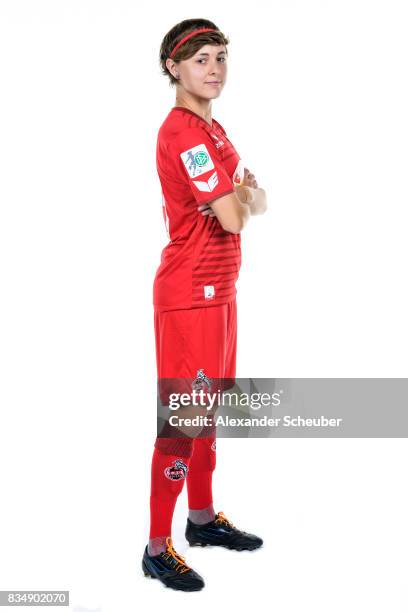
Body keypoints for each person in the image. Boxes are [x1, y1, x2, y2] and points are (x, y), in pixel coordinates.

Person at [142, 18, 268, 592]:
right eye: (200, 60)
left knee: (209, 414)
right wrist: (239, 198)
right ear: (174, 67)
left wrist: (239, 198)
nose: (214, 69)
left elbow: (255, 197)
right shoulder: (185, 135)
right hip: (190, 294)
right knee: (183, 421)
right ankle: (156, 547)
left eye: (220, 57)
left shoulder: (214, 132)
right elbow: (241, 211)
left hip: (223, 291)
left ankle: (201, 520)